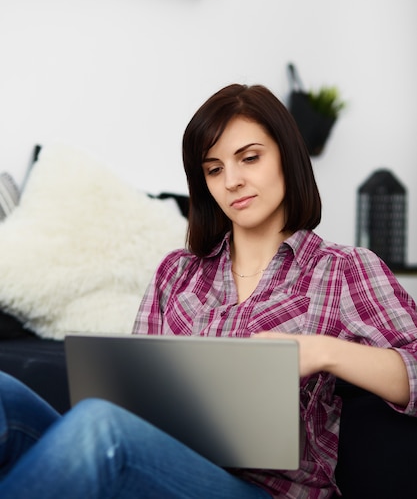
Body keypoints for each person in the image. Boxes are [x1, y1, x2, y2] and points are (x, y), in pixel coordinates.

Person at [1, 83, 417, 499]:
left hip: (267, 491)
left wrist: (322, 351)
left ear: (287, 157)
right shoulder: (176, 273)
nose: (232, 181)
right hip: (164, 465)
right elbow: (134, 399)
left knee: (101, 427)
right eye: (214, 169)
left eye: (249, 158)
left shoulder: (342, 269)